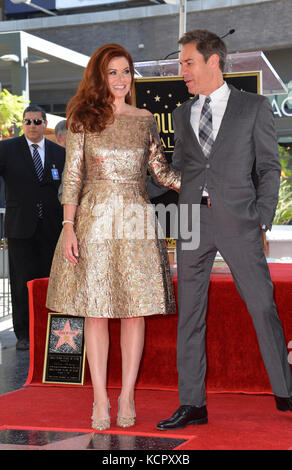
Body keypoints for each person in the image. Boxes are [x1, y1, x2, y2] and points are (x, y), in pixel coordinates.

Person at [156, 29, 292, 430]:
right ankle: (192, 402)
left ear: (213, 61)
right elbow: (180, 170)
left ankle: (285, 391)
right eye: (181, 64)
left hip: (240, 221)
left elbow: (270, 168)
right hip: (191, 224)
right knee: (190, 315)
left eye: (188, 62)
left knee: (262, 306)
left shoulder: (253, 107)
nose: (182, 71)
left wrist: (262, 216)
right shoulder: (182, 114)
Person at [46, 43, 180, 430]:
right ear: (99, 77)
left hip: (136, 221)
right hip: (94, 220)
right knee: (97, 309)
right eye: (113, 73)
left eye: (126, 72)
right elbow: (72, 177)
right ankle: (101, 396)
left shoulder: (144, 119)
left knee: (136, 311)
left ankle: (128, 396)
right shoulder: (82, 118)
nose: (122, 79)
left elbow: (162, 172)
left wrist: (205, 188)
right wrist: (68, 227)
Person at [0, 105, 65, 350]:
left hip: (52, 227)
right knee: (21, 283)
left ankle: (51, 331)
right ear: (22, 124)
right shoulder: (6, 150)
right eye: (28, 121)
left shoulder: (59, 153)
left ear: (44, 123)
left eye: (38, 122)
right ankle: (24, 334)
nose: (33, 126)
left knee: (50, 280)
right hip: (20, 228)